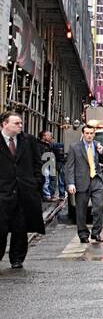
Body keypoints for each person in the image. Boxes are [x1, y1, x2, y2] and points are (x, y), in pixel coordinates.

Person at [0, 112, 46, 269]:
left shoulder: (28, 141)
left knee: (21, 227)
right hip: (3, 193)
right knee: (1, 228)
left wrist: (36, 182)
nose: (20, 126)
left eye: (21, 123)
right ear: (4, 124)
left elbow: (37, 163)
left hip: (24, 191)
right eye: (16, 123)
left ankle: (17, 258)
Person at [65, 124, 103, 245]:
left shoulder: (97, 145)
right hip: (81, 182)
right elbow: (70, 167)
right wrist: (71, 183)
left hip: (96, 181)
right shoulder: (74, 147)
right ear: (82, 134)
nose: (89, 135)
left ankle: (96, 233)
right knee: (81, 210)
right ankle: (83, 234)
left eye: (91, 133)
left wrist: (101, 153)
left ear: (94, 134)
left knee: (99, 207)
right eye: (87, 133)